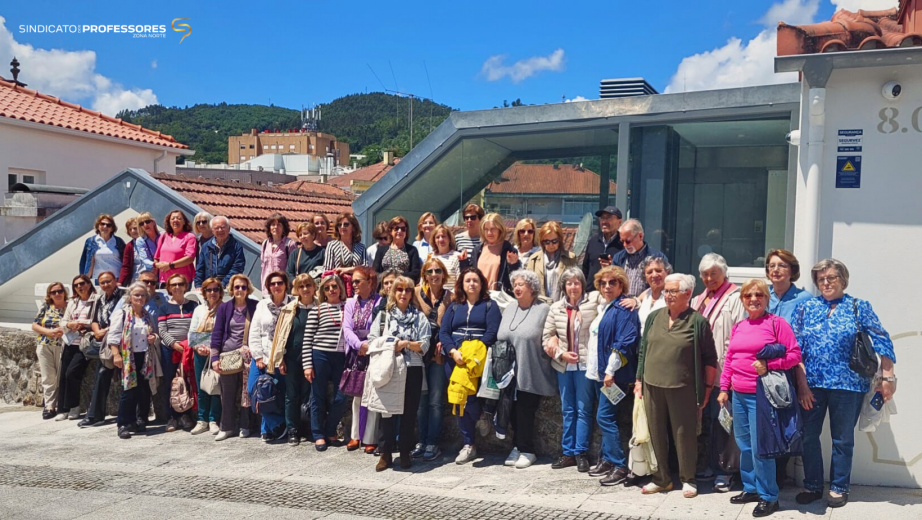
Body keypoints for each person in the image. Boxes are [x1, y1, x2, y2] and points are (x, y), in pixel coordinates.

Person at [791, 259, 896, 509]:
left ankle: (839, 487)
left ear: (843, 280)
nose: (825, 282)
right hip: (812, 385)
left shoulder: (859, 307)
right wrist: (802, 384)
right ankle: (813, 484)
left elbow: (882, 339)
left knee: (842, 439)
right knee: (808, 435)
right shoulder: (806, 308)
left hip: (849, 385)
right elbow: (795, 349)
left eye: (831, 277)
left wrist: (888, 377)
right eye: (821, 279)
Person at [718, 279, 802, 518]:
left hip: (762, 396)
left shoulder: (777, 324)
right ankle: (751, 488)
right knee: (744, 444)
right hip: (738, 395)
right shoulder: (739, 326)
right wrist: (724, 388)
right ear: (742, 300)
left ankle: (769, 497)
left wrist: (769, 365)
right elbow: (730, 359)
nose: (753, 299)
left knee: (760, 449)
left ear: (767, 299)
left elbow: (795, 355)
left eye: (759, 295)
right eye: (748, 295)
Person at [636, 273, 718, 498]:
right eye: (666, 291)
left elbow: (710, 359)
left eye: (673, 291)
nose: (668, 295)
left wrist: (707, 389)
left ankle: (688, 479)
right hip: (652, 385)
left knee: (685, 435)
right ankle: (661, 479)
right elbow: (644, 350)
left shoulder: (698, 322)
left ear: (688, 294)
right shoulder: (654, 317)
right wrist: (639, 380)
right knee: (656, 433)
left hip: (683, 388)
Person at [691, 252, 745, 490]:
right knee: (706, 421)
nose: (709, 278)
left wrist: (730, 372)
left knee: (723, 421)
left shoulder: (735, 297)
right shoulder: (698, 299)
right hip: (702, 372)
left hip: (724, 371)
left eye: (714, 273)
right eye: (704, 274)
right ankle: (709, 464)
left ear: (724, 273)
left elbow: (737, 336)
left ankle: (725, 470)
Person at [367, 275, 431, 471]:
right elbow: (372, 340)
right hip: (390, 367)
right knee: (386, 412)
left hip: (412, 367)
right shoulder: (384, 316)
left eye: (407, 290)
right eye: (399, 289)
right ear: (393, 292)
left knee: (409, 413)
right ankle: (385, 453)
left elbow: (425, 344)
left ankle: (404, 452)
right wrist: (393, 345)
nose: (403, 293)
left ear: (412, 293)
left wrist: (405, 344)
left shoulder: (419, 317)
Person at [440, 267, 502, 464]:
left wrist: (474, 352)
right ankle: (469, 444)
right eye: (468, 280)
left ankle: (481, 416)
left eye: (475, 280)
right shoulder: (454, 306)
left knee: (471, 397)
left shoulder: (490, 306)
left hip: (477, 358)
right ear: (462, 284)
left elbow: (492, 331)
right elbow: (444, 332)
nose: (472, 284)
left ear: (481, 283)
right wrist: (452, 351)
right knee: (459, 399)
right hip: (455, 357)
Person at [584, 266, 639, 486]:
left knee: (604, 417)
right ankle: (607, 460)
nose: (607, 286)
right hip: (600, 373)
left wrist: (610, 370)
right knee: (607, 416)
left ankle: (619, 465)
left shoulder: (624, 308)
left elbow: (624, 342)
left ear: (621, 285)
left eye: (612, 282)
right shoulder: (606, 307)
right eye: (603, 283)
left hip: (614, 375)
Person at [543, 267, 600, 472]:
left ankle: (580, 452)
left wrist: (635, 300)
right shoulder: (556, 307)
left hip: (585, 364)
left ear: (582, 285)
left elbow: (613, 300)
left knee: (583, 409)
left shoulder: (593, 301)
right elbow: (546, 337)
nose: (573, 287)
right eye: (569, 283)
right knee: (568, 410)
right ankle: (568, 453)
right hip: (564, 366)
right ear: (564, 286)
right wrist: (561, 354)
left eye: (577, 283)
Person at [497, 269, 553, 469]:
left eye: (521, 284)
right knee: (510, 409)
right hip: (509, 370)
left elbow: (551, 332)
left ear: (532, 287)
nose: (517, 288)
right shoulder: (510, 308)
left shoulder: (543, 309)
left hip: (532, 368)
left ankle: (527, 450)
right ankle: (517, 446)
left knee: (525, 409)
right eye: (515, 285)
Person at [302, 274, 349, 451]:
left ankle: (330, 429)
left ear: (340, 288)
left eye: (334, 286)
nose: (331, 290)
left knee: (341, 396)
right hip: (320, 355)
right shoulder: (318, 310)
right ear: (323, 291)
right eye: (327, 288)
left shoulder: (348, 307)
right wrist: (307, 365)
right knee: (317, 396)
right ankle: (318, 434)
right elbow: (308, 339)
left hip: (341, 357)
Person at [411, 258, 452, 461]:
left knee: (435, 401)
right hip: (419, 352)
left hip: (438, 354)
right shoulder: (415, 293)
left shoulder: (450, 297)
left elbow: (452, 324)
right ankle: (421, 441)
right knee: (421, 400)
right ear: (424, 275)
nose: (434, 275)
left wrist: (444, 343)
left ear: (443, 274)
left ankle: (432, 443)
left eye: (437, 271)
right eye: (430, 271)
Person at [108, 281, 159, 439]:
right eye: (137, 295)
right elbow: (113, 336)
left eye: (143, 295)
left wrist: (153, 337)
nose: (140, 298)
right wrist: (116, 355)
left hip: (145, 357)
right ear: (130, 297)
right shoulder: (122, 314)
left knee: (144, 390)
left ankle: (140, 419)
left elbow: (154, 333)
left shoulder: (147, 315)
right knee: (129, 391)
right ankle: (123, 423)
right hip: (128, 357)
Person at [211, 274, 258, 441]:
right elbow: (217, 333)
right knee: (228, 394)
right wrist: (214, 358)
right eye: (237, 287)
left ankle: (246, 426)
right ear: (232, 289)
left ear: (248, 290)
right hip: (228, 356)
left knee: (247, 392)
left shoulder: (254, 306)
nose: (240, 290)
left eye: (243, 287)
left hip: (248, 356)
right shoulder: (224, 308)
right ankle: (226, 427)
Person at [271, 273, 317, 445]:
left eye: (308, 285)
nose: (305, 289)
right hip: (292, 358)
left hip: (312, 358)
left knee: (308, 394)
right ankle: (292, 430)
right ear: (296, 289)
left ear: (314, 287)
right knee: (291, 395)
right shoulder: (290, 309)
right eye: (301, 286)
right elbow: (281, 336)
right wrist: (280, 359)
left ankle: (306, 428)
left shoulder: (320, 307)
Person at [249, 271, 293, 441]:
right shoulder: (262, 305)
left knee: (273, 393)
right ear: (268, 287)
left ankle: (266, 429)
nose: (276, 286)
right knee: (253, 390)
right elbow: (255, 331)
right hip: (262, 355)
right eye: (272, 283)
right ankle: (278, 424)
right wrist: (258, 356)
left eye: (279, 283)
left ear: (285, 284)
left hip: (281, 358)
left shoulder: (292, 304)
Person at [342, 266, 382, 453]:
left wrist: (369, 345)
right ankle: (355, 435)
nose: (354, 285)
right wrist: (359, 345)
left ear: (370, 282)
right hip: (356, 353)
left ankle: (370, 438)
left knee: (372, 395)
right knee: (357, 396)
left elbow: (380, 327)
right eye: (353, 282)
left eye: (358, 281)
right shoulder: (351, 302)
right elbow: (347, 328)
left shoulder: (380, 301)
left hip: (373, 352)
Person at [79, 271, 124, 427]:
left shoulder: (123, 296)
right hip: (105, 344)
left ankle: (131, 417)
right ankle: (95, 415)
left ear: (115, 280)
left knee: (128, 380)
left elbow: (124, 318)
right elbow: (94, 320)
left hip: (121, 341)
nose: (105, 285)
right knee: (101, 376)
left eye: (108, 281)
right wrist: (97, 331)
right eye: (102, 282)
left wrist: (105, 331)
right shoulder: (101, 299)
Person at [158, 273, 199, 432]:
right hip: (170, 350)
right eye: (173, 284)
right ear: (169, 288)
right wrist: (175, 345)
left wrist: (188, 345)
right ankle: (171, 417)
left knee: (187, 381)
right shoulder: (164, 307)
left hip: (189, 349)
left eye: (180, 284)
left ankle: (185, 415)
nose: (177, 287)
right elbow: (162, 330)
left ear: (185, 286)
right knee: (170, 382)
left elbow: (197, 326)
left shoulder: (193, 305)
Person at [56, 274, 97, 420]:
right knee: (63, 376)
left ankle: (74, 406)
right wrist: (69, 324)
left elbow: (97, 320)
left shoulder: (96, 300)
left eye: (82, 283)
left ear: (89, 284)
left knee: (72, 373)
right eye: (76, 285)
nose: (79, 287)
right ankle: (62, 409)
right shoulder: (73, 302)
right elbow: (63, 321)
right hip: (69, 342)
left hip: (84, 344)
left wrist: (83, 323)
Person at [188, 277, 224, 435]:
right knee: (201, 386)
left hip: (217, 354)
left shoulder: (225, 308)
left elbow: (225, 332)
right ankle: (202, 420)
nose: (212, 292)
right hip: (200, 353)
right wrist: (197, 347)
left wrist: (213, 349)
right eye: (209, 290)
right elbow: (192, 332)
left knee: (215, 386)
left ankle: (213, 419)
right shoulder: (199, 310)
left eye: (216, 289)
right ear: (204, 292)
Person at [32, 282, 68, 420]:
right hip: (44, 344)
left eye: (59, 291)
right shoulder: (46, 306)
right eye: (53, 292)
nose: (57, 294)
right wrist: (48, 332)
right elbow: (35, 325)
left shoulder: (69, 306)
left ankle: (61, 405)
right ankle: (49, 406)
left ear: (64, 292)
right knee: (48, 377)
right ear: (49, 295)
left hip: (62, 345)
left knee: (60, 377)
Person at [612, 219, 666, 299]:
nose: (625, 245)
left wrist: (637, 300)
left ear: (640, 236)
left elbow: (662, 285)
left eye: (628, 241)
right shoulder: (618, 258)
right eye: (622, 241)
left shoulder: (657, 257)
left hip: (647, 302)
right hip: (622, 303)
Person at [467, 213, 520, 294]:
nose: (489, 233)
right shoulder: (477, 250)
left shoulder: (509, 250)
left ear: (500, 229)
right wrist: (463, 262)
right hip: (478, 295)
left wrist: (513, 265)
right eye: (486, 229)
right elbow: (469, 273)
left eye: (493, 229)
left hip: (499, 297)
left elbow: (515, 278)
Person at [527, 221, 577, 302]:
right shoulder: (533, 259)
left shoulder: (570, 258)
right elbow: (528, 285)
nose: (551, 245)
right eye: (547, 242)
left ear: (560, 240)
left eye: (554, 241)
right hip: (539, 304)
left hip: (562, 304)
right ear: (542, 242)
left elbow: (575, 283)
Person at [194, 216, 246, 288]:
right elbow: (200, 269)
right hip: (209, 288)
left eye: (223, 227)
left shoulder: (236, 247)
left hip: (228, 288)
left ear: (229, 228)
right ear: (212, 230)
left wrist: (222, 284)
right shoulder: (206, 247)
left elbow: (237, 268)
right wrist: (198, 285)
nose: (220, 230)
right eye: (216, 228)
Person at [765, 249, 812, 324]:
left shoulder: (806, 299)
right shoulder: (761, 296)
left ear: (793, 270)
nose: (775, 269)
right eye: (772, 266)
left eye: (782, 265)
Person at [154, 210, 197, 288]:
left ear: (184, 222)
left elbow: (190, 258)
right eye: (173, 218)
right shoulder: (164, 236)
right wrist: (157, 265)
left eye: (179, 218)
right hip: (164, 281)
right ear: (169, 222)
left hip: (181, 282)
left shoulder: (190, 237)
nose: (175, 220)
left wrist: (170, 265)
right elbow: (156, 257)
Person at [373, 216, 421, 283]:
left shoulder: (412, 250)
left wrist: (397, 277)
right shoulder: (381, 250)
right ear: (390, 231)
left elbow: (415, 273)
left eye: (403, 229)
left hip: (404, 286)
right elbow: (375, 272)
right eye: (396, 228)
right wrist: (388, 278)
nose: (399, 231)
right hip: (385, 286)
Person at [582, 206, 624, 283]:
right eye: (602, 218)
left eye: (608, 218)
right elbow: (585, 268)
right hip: (592, 289)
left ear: (619, 222)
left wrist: (613, 266)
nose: (604, 221)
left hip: (613, 289)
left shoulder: (624, 244)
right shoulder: (593, 241)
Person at [79, 214, 126, 282]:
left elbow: (125, 261)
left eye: (108, 225)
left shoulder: (118, 241)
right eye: (102, 224)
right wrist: (85, 280)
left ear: (112, 228)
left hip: (116, 279)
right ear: (98, 226)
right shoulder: (90, 241)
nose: (105, 226)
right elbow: (84, 262)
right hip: (98, 279)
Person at [259, 213, 297, 294]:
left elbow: (293, 268)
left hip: (282, 287)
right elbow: (263, 266)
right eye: (273, 225)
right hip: (267, 287)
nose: (275, 227)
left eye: (279, 225)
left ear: (284, 228)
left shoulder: (289, 244)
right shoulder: (265, 243)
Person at [324, 213, 367, 282]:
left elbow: (365, 269)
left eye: (346, 224)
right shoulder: (332, 245)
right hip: (338, 284)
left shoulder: (361, 247)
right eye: (339, 225)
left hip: (356, 284)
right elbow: (327, 270)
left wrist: (348, 270)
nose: (342, 227)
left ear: (353, 227)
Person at [120, 212, 160, 286]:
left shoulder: (160, 237)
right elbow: (126, 266)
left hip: (157, 276)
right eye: (130, 229)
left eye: (135, 228)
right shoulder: (129, 246)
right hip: (138, 278)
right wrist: (120, 282)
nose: (133, 231)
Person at [637, 256, 672, 333]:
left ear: (667, 272)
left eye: (658, 271)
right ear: (645, 277)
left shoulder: (672, 295)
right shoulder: (646, 295)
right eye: (649, 272)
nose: (654, 275)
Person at [430, 224, 463, 292]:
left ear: (449, 239)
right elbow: (423, 280)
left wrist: (450, 295)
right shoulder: (430, 257)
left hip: (452, 295)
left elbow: (459, 281)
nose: (441, 239)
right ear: (434, 240)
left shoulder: (457, 256)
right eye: (437, 237)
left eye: (443, 236)